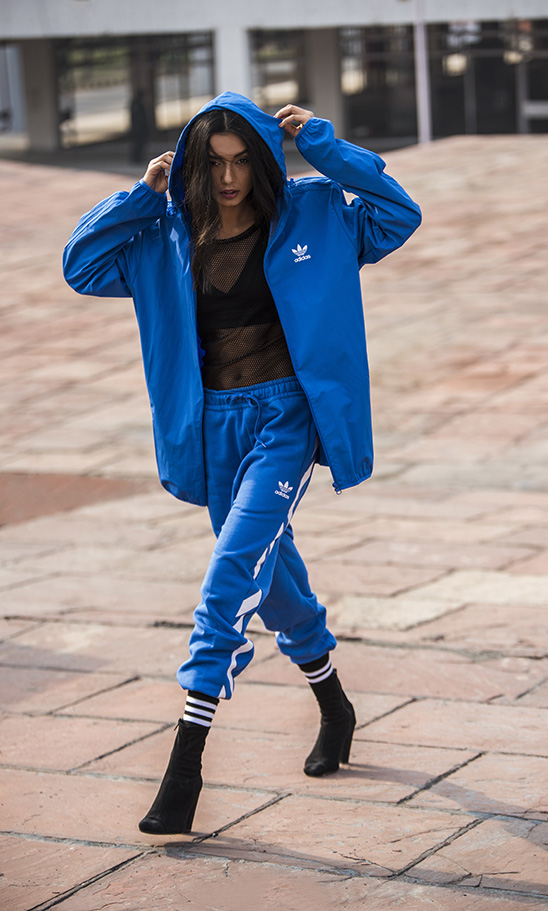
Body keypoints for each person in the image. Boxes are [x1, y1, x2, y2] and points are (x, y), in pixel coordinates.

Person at [63, 92, 422, 835]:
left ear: (262, 161)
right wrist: (142, 195)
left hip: (285, 418)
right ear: (194, 167)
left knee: (231, 568)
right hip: (212, 426)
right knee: (269, 568)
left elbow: (398, 212)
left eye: (241, 162)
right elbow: (81, 266)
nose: (228, 178)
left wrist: (322, 146)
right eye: (213, 163)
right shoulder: (167, 233)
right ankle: (334, 701)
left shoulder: (316, 212)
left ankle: (185, 762)